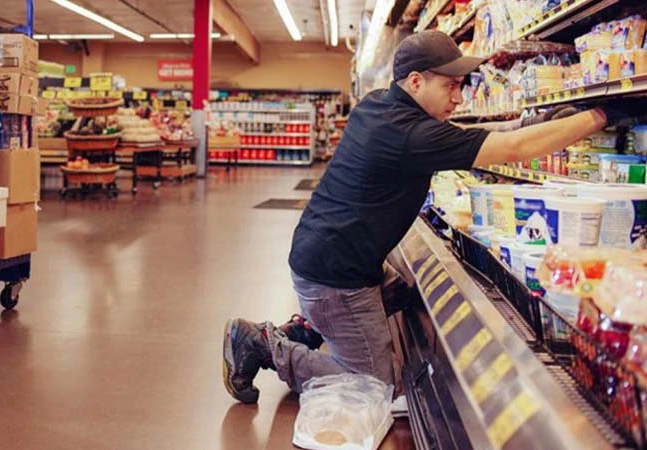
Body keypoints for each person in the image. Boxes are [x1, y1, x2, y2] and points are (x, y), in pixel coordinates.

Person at [222, 30, 627, 404]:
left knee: (403, 294)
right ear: (416, 82)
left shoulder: (381, 106)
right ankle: (263, 345)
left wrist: (540, 119)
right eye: (450, 85)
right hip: (335, 278)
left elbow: (482, 133)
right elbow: (514, 148)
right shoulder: (410, 135)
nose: (459, 97)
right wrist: (602, 115)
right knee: (377, 386)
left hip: (330, 256)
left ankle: (307, 328)